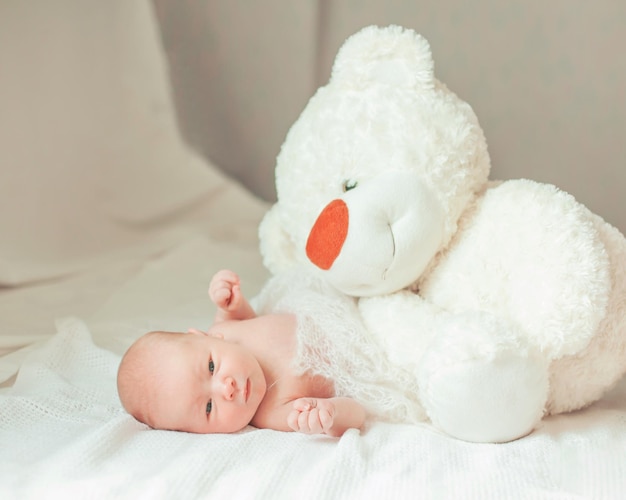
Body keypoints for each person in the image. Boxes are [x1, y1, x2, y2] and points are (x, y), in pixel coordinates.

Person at [117, 269, 366, 437]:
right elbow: (358, 413)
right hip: (367, 348)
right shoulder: (272, 413)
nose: (227, 389)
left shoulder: (226, 330)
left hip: (339, 299)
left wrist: (231, 302)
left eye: (212, 367)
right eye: (208, 407)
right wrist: (330, 414)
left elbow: (245, 318)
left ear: (204, 336)